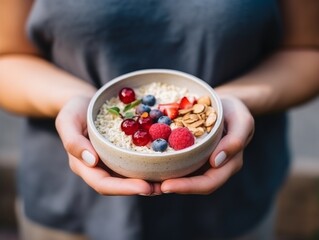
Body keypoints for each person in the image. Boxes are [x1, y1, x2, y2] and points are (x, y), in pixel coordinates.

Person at [0, 0, 318, 239]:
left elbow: (308, 51)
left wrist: (234, 101)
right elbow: (8, 56)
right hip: (68, 209)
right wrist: (72, 100)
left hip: (231, 212)